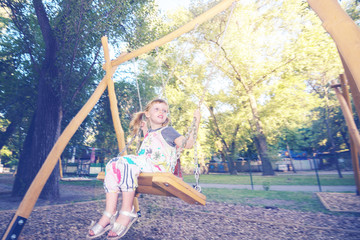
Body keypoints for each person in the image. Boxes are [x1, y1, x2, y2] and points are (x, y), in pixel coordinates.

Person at [87, 99, 201, 239]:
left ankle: (127, 211)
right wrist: (144, 129)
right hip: (143, 166)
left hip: (157, 169)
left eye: (164, 110)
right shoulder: (149, 133)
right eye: (157, 109)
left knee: (126, 163)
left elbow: (188, 144)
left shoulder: (169, 131)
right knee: (113, 163)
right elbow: (149, 145)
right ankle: (109, 214)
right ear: (147, 113)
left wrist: (197, 121)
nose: (161, 112)